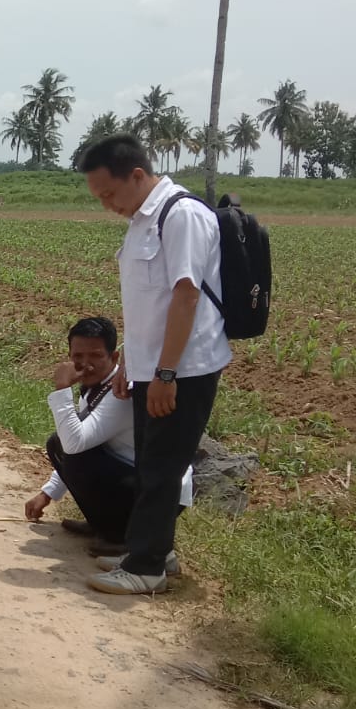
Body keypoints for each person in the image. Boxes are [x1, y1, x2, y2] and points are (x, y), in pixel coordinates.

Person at [79, 135, 230, 595]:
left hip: (183, 368)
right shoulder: (142, 219)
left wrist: (165, 373)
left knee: (162, 467)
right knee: (150, 464)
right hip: (152, 365)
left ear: (137, 176)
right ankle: (155, 551)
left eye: (109, 194)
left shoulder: (181, 215)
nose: (107, 205)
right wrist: (130, 360)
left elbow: (185, 296)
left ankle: (145, 569)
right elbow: (148, 301)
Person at [23, 316, 190, 575]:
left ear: (114, 358)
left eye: (96, 356)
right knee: (61, 445)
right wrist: (47, 494)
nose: (86, 364)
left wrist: (61, 389)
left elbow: (75, 443)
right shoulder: (95, 387)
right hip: (134, 478)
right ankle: (101, 523)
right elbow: (77, 441)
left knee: (68, 447)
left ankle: (119, 536)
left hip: (161, 493)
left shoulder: (121, 392)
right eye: (78, 356)